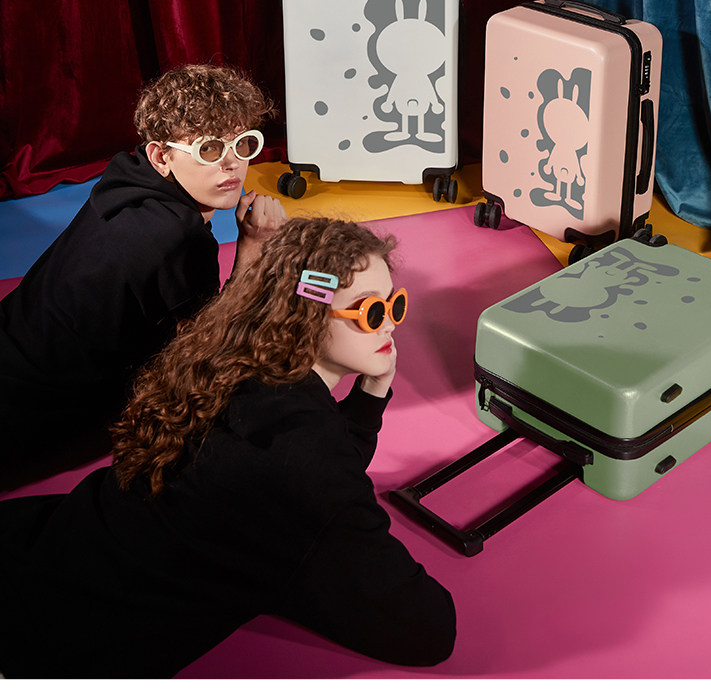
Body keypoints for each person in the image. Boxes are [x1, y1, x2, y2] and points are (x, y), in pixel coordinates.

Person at [0, 217, 456, 677]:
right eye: (371, 312)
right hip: (56, 643)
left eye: (395, 304)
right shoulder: (304, 455)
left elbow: (329, 475)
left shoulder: (226, 362)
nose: (389, 326)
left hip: (46, 547)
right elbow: (429, 630)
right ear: (309, 316)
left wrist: (372, 393)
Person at [0, 63, 286, 484]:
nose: (232, 164)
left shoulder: (125, 178)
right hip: (30, 418)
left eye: (243, 144)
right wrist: (255, 247)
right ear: (161, 156)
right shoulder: (174, 238)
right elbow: (209, 356)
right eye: (209, 149)